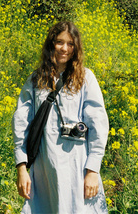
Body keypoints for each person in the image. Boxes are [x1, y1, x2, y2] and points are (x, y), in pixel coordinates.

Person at [12, 21, 109, 214]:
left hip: (78, 167)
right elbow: (21, 124)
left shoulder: (86, 78)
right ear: (51, 45)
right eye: (59, 42)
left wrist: (92, 171)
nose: (64, 48)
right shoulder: (35, 80)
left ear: (76, 48)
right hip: (44, 169)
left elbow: (98, 125)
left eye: (70, 44)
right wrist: (22, 168)